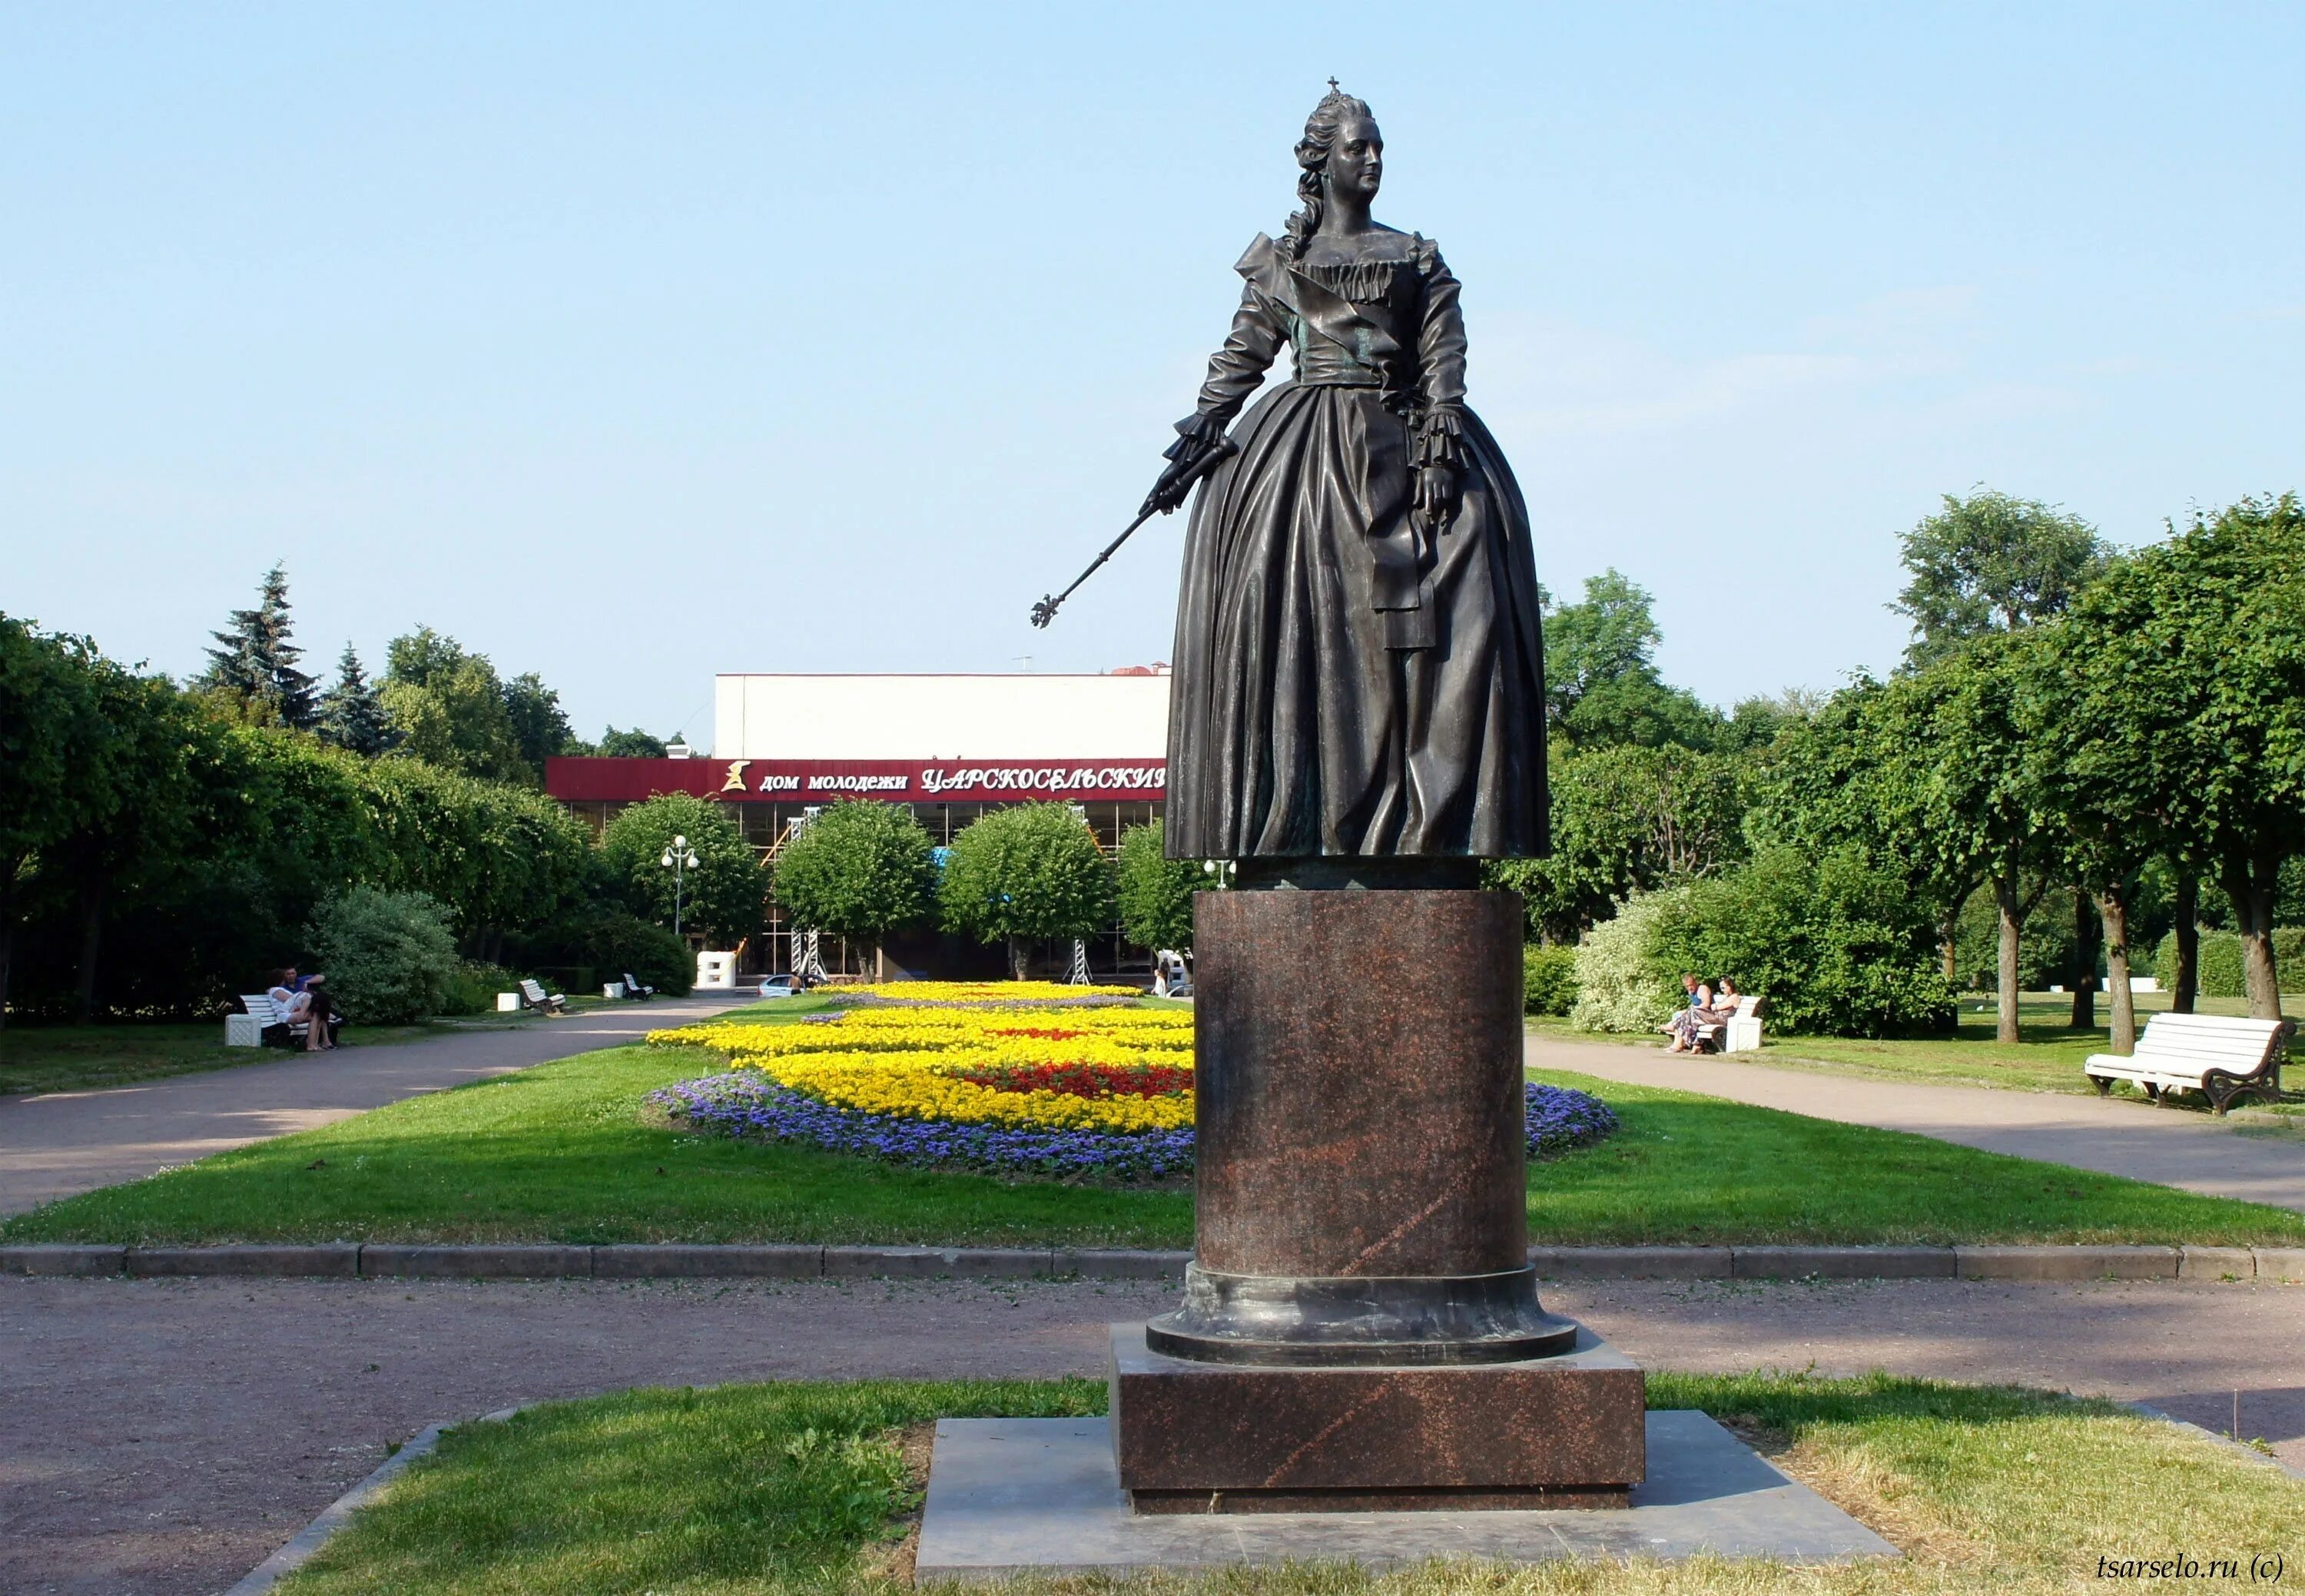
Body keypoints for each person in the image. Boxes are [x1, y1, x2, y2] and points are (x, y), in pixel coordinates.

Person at [1159, 87, 1547, 862]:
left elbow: (1444, 360)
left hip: (1408, 445)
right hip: (1304, 461)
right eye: (1355, 148)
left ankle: (1427, 825)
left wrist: (1439, 452)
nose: (1371, 160)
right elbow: (1244, 354)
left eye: (1377, 148)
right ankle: (1307, 823)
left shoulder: (1415, 256)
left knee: (1467, 587)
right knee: (1299, 611)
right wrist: (1199, 432)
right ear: (1320, 160)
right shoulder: (1288, 263)